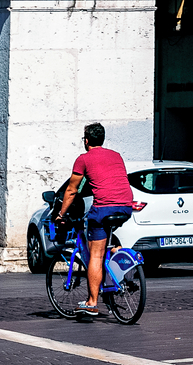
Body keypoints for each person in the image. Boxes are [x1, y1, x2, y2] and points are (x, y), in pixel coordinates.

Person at [54, 122, 139, 319]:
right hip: (126, 206)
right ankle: (118, 255)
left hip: (103, 208)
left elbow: (72, 189)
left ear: (86, 140)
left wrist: (61, 214)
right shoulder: (116, 155)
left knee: (96, 255)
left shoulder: (83, 159)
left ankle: (92, 303)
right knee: (105, 244)